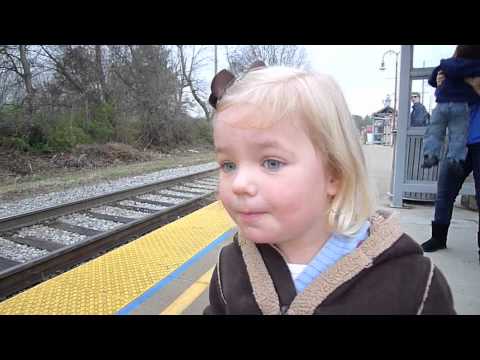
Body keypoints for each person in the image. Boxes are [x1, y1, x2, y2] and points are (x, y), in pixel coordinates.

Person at [203, 63, 455, 315]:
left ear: (334, 173)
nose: (239, 184)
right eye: (228, 165)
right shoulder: (231, 267)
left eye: (271, 163)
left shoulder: (413, 286)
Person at [421, 70, 480, 264]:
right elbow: (437, 78)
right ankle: (438, 238)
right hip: (460, 140)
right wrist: (440, 82)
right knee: (445, 191)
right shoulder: (462, 64)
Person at [422, 45, 480, 172]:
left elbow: (431, 80)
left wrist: (437, 83)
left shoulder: (445, 64)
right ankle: (455, 159)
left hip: (443, 105)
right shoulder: (475, 66)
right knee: (459, 133)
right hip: (461, 110)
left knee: (435, 130)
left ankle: (430, 154)